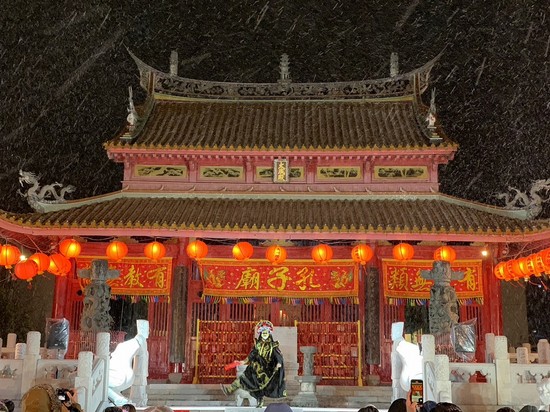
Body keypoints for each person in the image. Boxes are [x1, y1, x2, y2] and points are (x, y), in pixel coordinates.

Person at [221, 319, 286, 407]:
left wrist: (279, 363)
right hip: (255, 368)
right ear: (260, 334)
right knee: (243, 379)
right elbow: (251, 356)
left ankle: (260, 401)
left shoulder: (273, 345)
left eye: (266, 333)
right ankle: (229, 390)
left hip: (266, 370)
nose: (264, 334)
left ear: (269, 333)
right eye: (263, 333)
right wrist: (243, 361)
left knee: (262, 386)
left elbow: (278, 356)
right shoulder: (257, 345)